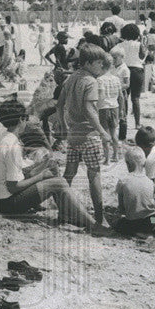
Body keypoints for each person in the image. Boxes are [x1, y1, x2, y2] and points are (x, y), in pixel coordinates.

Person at [0, 98, 96, 230]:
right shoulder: (12, 145)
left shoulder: (4, 137)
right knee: (58, 183)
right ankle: (93, 224)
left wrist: (41, 167)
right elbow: (13, 187)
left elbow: (15, 173)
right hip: (7, 203)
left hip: (0, 196)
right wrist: (41, 176)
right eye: (26, 118)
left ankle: (66, 213)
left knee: (50, 166)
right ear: (22, 119)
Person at [56, 43, 107, 228]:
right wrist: (102, 131)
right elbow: (89, 109)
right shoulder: (91, 81)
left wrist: (63, 125)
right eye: (99, 63)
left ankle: (63, 212)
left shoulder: (71, 78)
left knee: (69, 173)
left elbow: (59, 104)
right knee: (94, 174)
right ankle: (101, 219)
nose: (101, 67)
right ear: (89, 63)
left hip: (73, 133)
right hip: (89, 133)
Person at [111, 148, 155, 236]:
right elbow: (153, 202)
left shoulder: (123, 181)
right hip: (152, 220)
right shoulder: (150, 181)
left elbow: (122, 208)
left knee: (118, 224)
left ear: (128, 164)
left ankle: (137, 233)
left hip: (134, 223)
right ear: (144, 163)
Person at [111, 23, 145, 129]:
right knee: (135, 98)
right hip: (137, 70)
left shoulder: (119, 45)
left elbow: (112, 53)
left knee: (123, 97)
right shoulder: (139, 44)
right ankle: (137, 123)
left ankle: (123, 121)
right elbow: (142, 56)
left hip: (124, 70)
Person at [96, 52, 121, 164]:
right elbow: (120, 95)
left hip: (104, 108)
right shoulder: (116, 79)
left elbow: (100, 96)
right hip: (114, 106)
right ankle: (115, 155)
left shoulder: (100, 79)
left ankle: (106, 158)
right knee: (114, 132)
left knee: (105, 134)